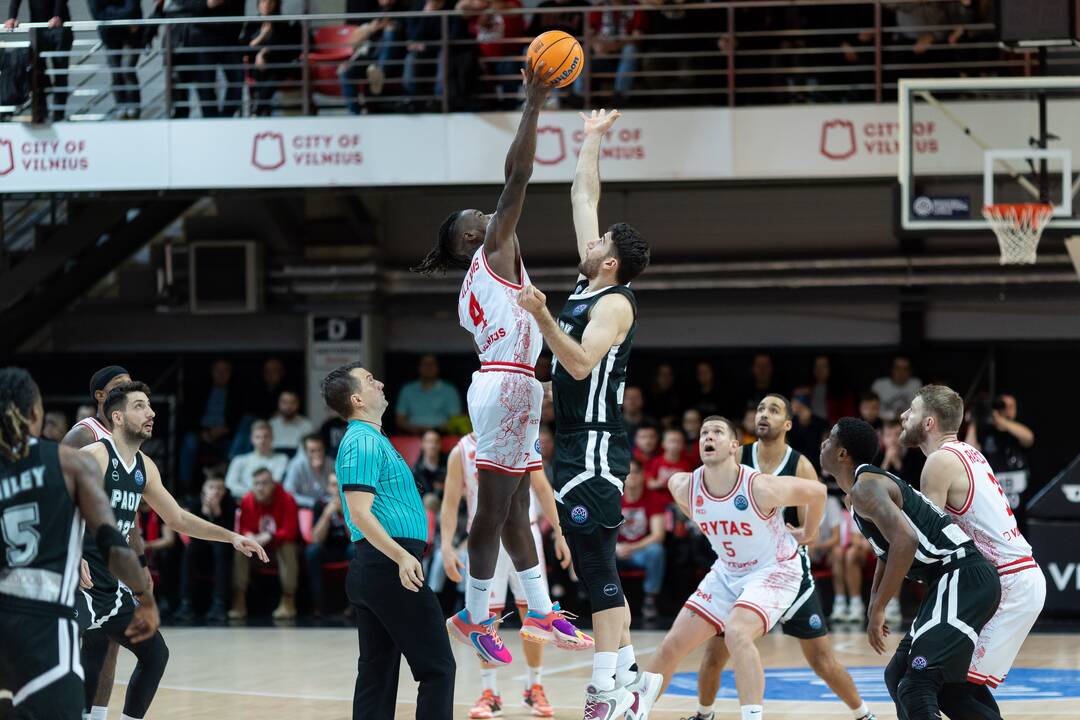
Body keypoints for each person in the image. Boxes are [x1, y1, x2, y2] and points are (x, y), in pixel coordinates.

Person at [413, 61, 587, 665]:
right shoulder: (493, 249)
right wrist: (533, 103)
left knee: (517, 509)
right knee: (493, 511)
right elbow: (518, 175)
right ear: (470, 240)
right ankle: (475, 613)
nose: (490, 217)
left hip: (509, 384)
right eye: (479, 221)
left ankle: (538, 610)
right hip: (507, 386)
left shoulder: (473, 284)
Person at [517, 109, 656, 718]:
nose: (590, 240)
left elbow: (577, 365)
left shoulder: (616, 305)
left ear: (610, 263)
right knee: (595, 571)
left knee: (595, 564)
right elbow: (583, 194)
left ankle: (604, 689)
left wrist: (543, 316)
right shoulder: (589, 284)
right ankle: (631, 680)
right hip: (574, 441)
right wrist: (593, 139)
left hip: (595, 445)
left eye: (598, 244)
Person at [77, 382, 267, 720]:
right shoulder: (95, 456)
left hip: (109, 586)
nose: (151, 413)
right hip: (76, 582)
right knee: (47, 661)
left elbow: (177, 518)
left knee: (155, 655)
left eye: (150, 406)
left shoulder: (144, 467)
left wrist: (232, 537)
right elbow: (53, 505)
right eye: (140, 406)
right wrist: (70, 555)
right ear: (117, 417)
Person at [629, 415, 827, 720]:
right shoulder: (683, 485)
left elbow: (818, 492)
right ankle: (634, 714)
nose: (708, 436)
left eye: (718, 432)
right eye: (704, 432)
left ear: (735, 446)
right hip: (728, 571)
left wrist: (809, 533)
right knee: (672, 644)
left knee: (736, 632)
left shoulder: (759, 487)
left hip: (774, 570)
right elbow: (696, 514)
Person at [692, 395, 875, 720]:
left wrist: (805, 533)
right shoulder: (737, 456)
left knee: (821, 660)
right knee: (714, 653)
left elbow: (814, 521)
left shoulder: (800, 464)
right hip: (743, 571)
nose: (764, 414)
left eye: (773, 410)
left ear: (787, 424)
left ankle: (863, 714)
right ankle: (704, 714)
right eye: (760, 408)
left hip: (787, 573)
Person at [0, 367, 157, 720]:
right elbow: (114, 542)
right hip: (46, 623)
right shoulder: (71, 460)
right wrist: (143, 594)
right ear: (37, 413)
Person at [820, 417, 1000, 720]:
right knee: (904, 676)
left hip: (961, 575)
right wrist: (873, 602)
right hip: (951, 579)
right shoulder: (858, 492)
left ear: (842, 454)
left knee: (915, 685)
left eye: (829, 439)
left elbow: (905, 541)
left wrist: (879, 607)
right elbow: (889, 551)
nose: (823, 443)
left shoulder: (867, 487)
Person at [320, 362, 456, 720]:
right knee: (437, 667)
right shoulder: (360, 441)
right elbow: (360, 513)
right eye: (369, 380)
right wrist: (401, 557)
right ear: (357, 399)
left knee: (377, 673)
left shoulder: (373, 438)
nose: (379, 382)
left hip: (382, 565)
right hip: (389, 564)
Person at [902, 385, 1044, 710]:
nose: (901, 415)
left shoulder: (939, 463)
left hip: (1008, 581)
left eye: (911, 409)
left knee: (950, 688)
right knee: (947, 684)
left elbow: (930, 545)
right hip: (1004, 578)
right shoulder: (968, 451)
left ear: (928, 423)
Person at [441, 432, 574, 719]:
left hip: (525, 533)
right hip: (486, 541)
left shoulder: (521, 437)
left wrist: (561, 533)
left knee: (535, 615)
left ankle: (534, 687)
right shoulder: (461, 450)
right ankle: (490, 692)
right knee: (484, 618)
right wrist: (446, 545)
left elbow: (541, 487)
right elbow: (450, 501)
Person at [61, 365, 136, 720]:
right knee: (63, 645)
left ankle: (97, 717)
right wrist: (70, 553)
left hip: (112, 560)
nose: (129, 391)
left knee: (107, 645)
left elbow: (129, 511)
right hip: (81, 559)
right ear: (101, 397)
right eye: (119, 387)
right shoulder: (82, 436)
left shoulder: (127, 440)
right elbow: (55, 496)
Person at [229, 468, 300, 620]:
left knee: (287, 546)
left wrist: (269, 536)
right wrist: (248, 535)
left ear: (273, 484)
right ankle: (239, 601)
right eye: (257, 484)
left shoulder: (287, 499)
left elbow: (290, 531)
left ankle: (288, 601)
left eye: (265, 483)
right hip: (257, 551)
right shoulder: (247, 500)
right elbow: (243, 529)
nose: (260, 487)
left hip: (278, 550)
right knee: (239, 549)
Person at [174, 471, 236, 622]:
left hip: (222, 543)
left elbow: (231, 533)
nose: (216, 491)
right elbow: (190, 530)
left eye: (220, 488)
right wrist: (205, 512)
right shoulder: (195, 502)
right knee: (189, 551)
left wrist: (217, 513)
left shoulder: (229, 503)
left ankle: (219, 603)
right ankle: (186, 603)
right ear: (204, 489)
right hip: (199, 540)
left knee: (222, 551)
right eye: (212, 487)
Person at [964, 393, 1035, 510]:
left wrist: (1000, 420)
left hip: (1019, 498)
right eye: (1003, 405)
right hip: (994, 496)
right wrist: (974, 421)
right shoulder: (986, 431)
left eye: (1011, 406)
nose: (1007, 410)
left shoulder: (1017, 429)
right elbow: (969, 451)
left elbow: (1029, 438)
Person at [616, 459, 665, 622]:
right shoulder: (613, 498)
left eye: (636, 471)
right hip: (615, 551)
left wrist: (632, 547)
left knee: (656, 550)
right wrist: (615, 547)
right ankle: (603, 600)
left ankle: (650, 600)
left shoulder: (653, 498)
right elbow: (601, 532)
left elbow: (658, 534)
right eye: (627, 471)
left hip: (639, 552)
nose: (632, 475)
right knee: (596, 551)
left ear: (643, 475)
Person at [306, 472, 356, 616]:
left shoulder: (353, 504)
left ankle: (353, 606)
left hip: (347, 547)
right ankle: (318, 605)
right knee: (312, 551)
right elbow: (315, 538)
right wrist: (327, 515)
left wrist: (345, 515)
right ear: (328, 487)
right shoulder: (320, 504)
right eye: (334, 485)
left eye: (340, 484)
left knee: (355, 550)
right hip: (327, 548)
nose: (337, 489)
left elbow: (355, 537)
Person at [395, 355, 463, 436]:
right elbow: (400, 419)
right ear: (419, 367)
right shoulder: (407, 389)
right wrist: (415, 429)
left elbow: (456, 419)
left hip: (442, 435)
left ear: (438, 367)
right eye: (425, 364)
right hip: (412, 436)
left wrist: (437, 429)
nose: (428, 367)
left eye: (432, 364)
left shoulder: (450, 390)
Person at [225, 420, 289, 498]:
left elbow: (275, 483)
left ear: (272, 438)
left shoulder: (282, 459)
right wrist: (255, 493)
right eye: (258, 437)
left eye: (266, 436)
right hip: (243, 502)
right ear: (251, 439)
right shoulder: (239, 460)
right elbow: (229, 485)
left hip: (272, 501)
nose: (262, 440)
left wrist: (255, 492)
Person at [284, 433, 332, 508]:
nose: (317, 454)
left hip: (328, 506)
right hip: (304, 507)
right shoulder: (296, 466)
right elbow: (288, 494)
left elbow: (339, 491)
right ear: (305, 452)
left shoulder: (331, 464)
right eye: (312, 451)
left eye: (320, 449)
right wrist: (312, 502)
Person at [870, 355, 922, 421]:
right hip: (882, 423)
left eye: (905, 369)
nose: (901, 372)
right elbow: (871, 411)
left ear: (910, 371)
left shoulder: (916, 384)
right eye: (897, 368)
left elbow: (920, 411)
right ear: (891, 370)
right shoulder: (879, 385)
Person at [269, 390, 315, 454]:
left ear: (298, 404)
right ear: (278, 403)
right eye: (284, 402)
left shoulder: (307, 425)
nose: (288, 406)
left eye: (292, 402)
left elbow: (310, 451)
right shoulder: (271, 425)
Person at [412, 428, 447, 498]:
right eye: (429, 442)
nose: (433, 445)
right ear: (422, 445)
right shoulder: (415, 471)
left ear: (440, 445)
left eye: (436, 442)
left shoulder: (448, 467)